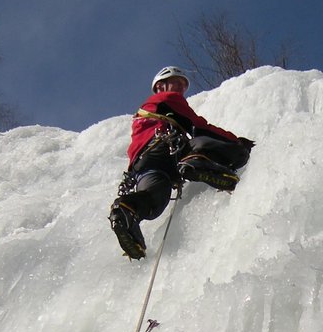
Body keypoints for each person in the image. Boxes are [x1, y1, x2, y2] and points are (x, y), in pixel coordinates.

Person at [109, 66, 254, 259]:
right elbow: (198, 126)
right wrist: (236, 142)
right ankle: (196, 162)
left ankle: (126, 211)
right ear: (160, 86)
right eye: (176, 83)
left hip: (144, 165)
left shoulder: (145, 117)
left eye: (183, 86)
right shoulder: (166, 99)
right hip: (163, 148)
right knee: (230, 151)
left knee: (154, 200)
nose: (180, 89)